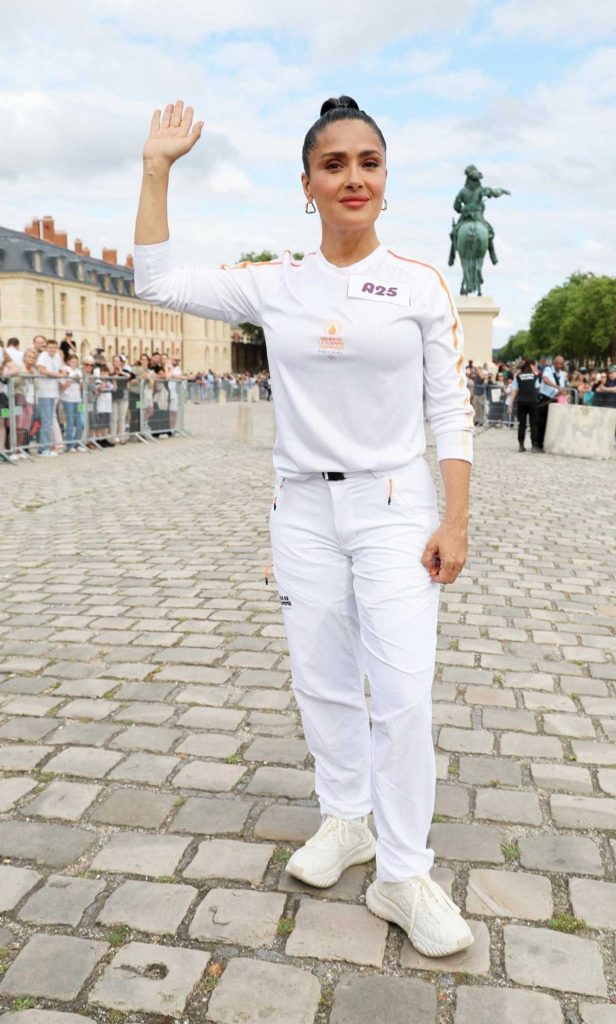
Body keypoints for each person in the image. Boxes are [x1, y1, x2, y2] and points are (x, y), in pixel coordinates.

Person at [133, 95, 475, 958]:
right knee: (322, 681)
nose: (352, 177)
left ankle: (403, 870)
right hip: (304, 511)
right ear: (308, 185)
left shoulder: (420, 283)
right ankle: (345, 819)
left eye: (368, 162)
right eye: (335, 165)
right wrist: (156, 169)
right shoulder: (276, 283)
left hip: (396, 506)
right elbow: (159, 282)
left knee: (400, 693)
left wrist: (457, 519)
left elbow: (452, 411)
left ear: (385, 181)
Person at [35, 339, 66, 456]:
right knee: (47, 421)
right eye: (50, 347)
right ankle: (43, 449)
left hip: (54, 392)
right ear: (46, 347)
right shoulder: (43, 356)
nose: (52, 349)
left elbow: (61, 369)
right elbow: (42, 370)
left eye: (54, 347)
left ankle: (48, 446)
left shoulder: (57, 356)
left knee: (50, 420)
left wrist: (62, 372)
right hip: (44, 392)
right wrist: (57, 375)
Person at [537, 354, 568, 450]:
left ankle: (548, 443)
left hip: (555, 399)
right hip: (545, 398)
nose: (559, 365)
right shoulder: (548, 370)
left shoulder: (562, 374)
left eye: (561, 364)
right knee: (541, 422)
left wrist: (562, 391)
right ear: (554, 363)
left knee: (551, 422)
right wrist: (556, 387)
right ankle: (538, 444)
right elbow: (545, 380)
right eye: (557, 363)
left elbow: (562, 386)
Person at [511, 358, 540, 452]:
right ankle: (534, 446)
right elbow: (538, 387)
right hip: (533, 401)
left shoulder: (518, 376)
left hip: (521, 401)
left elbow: (514, 390)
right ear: (531, 365)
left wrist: (511, 403)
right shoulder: (535, 376)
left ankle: (521, 445)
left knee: (522, 424)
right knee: (534, 424)